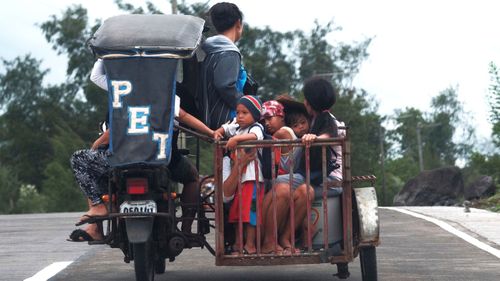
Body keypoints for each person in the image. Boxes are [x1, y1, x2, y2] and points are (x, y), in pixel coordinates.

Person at [68, 60, 215, 242]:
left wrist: (102, 54)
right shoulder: (166, 92)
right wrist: (211, 133)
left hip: (123, 157)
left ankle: (98, 211)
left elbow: (98, 81)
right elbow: (184, 116)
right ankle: (185, 228)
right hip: (160, 157)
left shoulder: (121, 89)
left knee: (81, 160)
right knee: (192, 176)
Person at [213, 95, 264, 255]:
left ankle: (250, 245)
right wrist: (218, 132)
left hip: (252, 179)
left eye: (245, 112)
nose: (240, 116)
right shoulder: (237, 127)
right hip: (240, 181)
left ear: (255, 115)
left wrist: (236, 139)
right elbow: (225, 128)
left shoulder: (255, 127)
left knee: (250, 213)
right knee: (237, 213)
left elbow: (255, 137)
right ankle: (237, 243)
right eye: (238, 112)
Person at [199, 2, 246, 130]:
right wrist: (247, 106)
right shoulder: (228, 52)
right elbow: (225, 85)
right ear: (238, 23)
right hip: (228, 120)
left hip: (212, 115)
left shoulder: (212, 50)